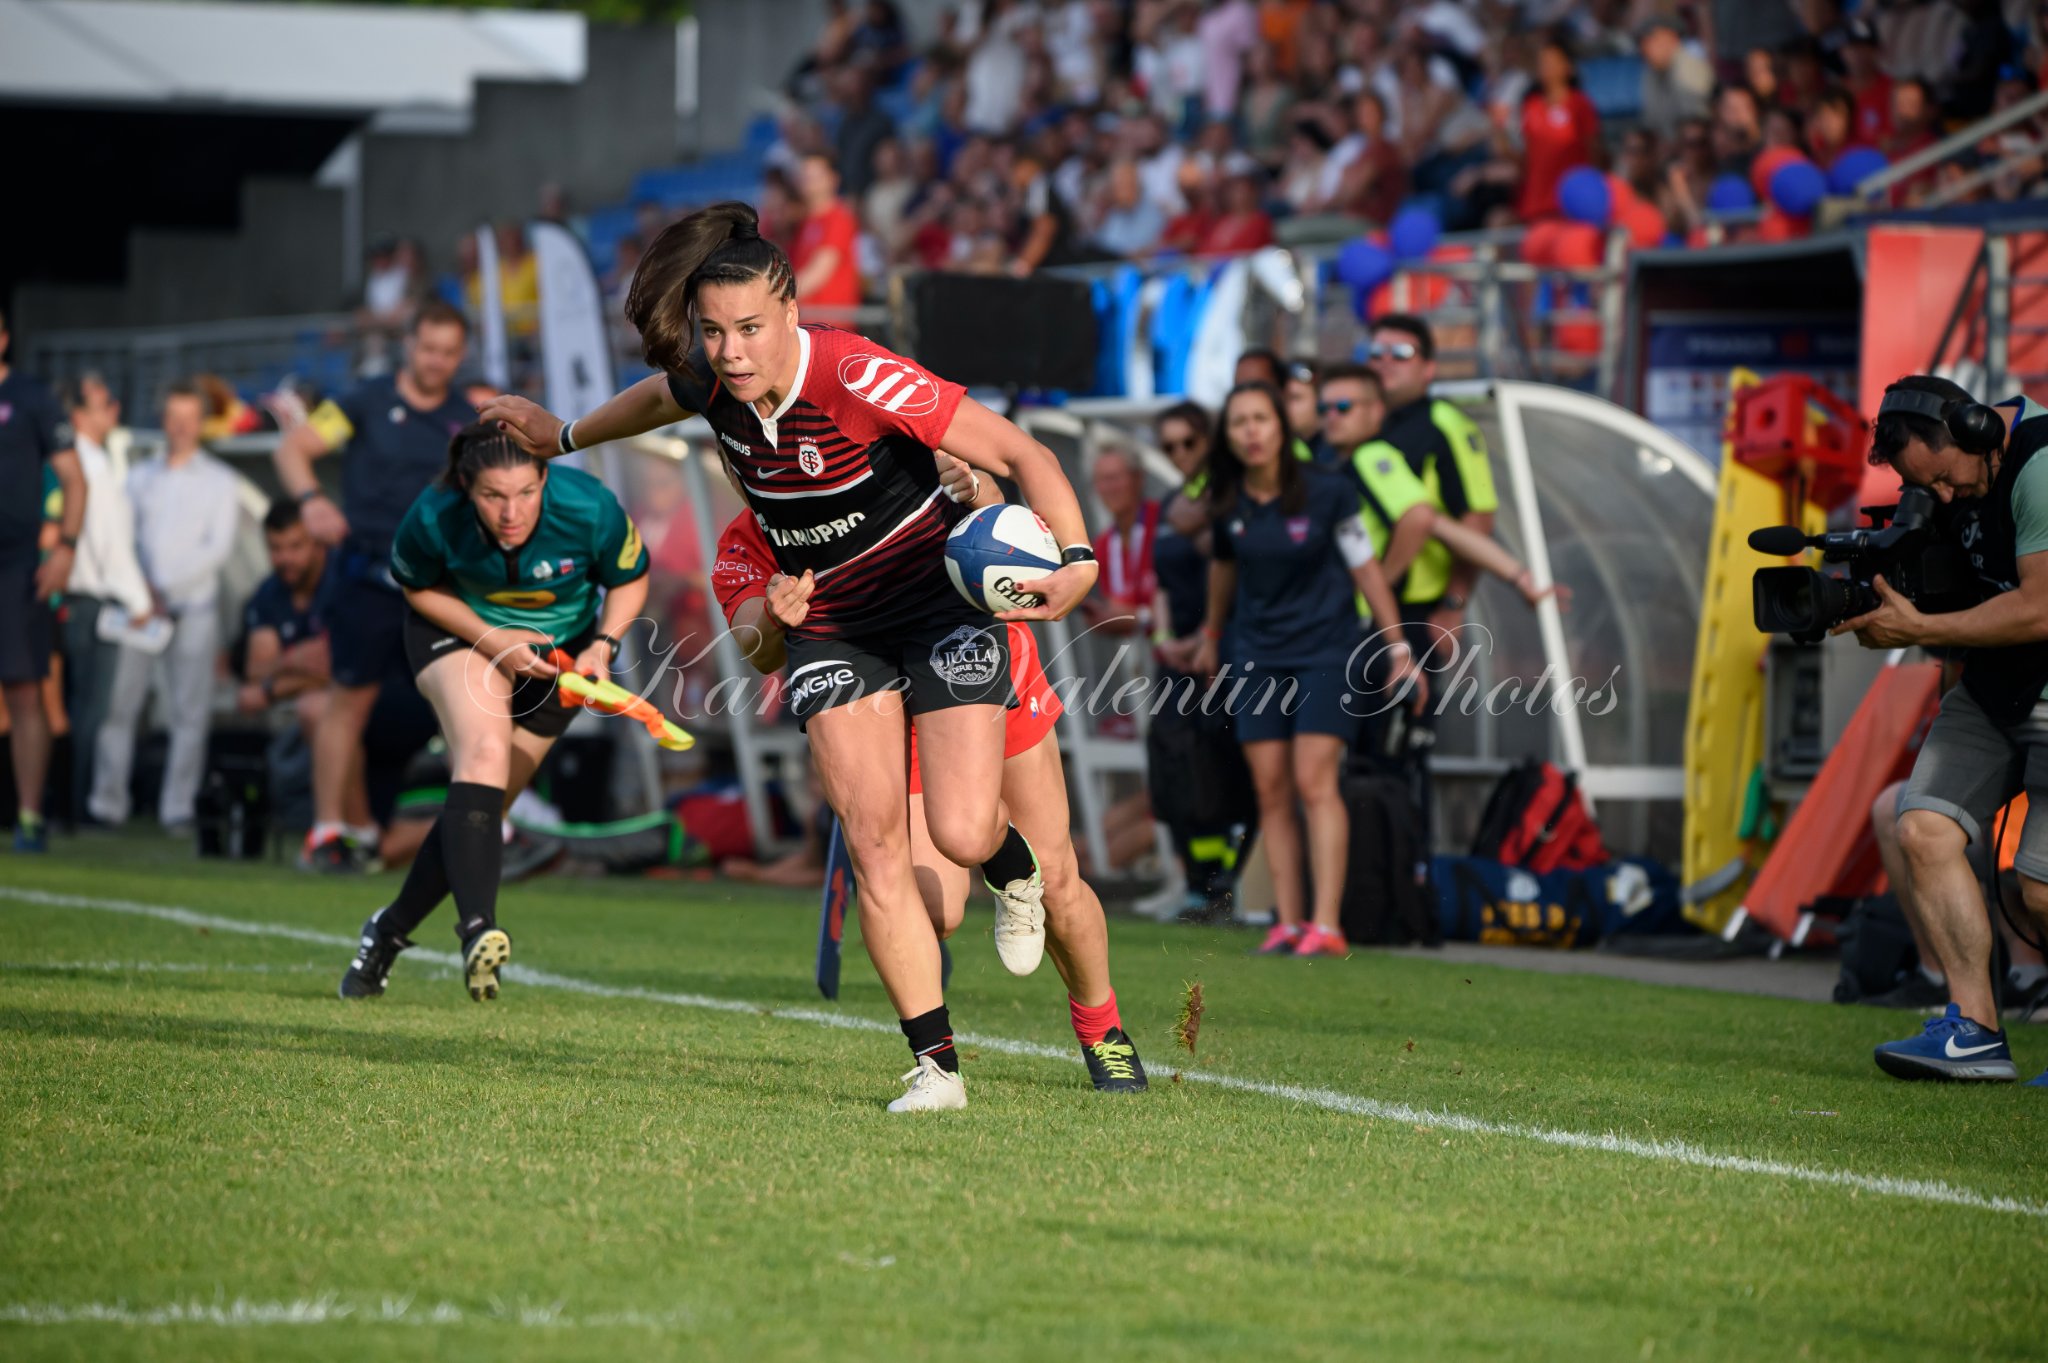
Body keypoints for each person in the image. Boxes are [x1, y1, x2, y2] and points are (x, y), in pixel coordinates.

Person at [478, 201, 1101, 1113]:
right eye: (715, 332)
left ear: (792, 313)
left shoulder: (857, 373)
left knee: (966, 835)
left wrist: (1078, 560)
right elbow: (657, 399)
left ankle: (1017, 875)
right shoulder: (714, 385)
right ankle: (936, 1068)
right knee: (875, 845)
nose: (730, 353)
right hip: (833, 627)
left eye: (750, 331)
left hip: (938, 608)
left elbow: (1017, 448)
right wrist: (565, 437)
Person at [712, 460, 1147, 1090]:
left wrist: (979, 488)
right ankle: (996, 877)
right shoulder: (745, 538)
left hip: (977, 670)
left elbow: (994, 512)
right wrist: (774, 621)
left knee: (1056, 878)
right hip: (892, 709)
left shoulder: (872, 465)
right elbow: (758, 652)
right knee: (936, 910)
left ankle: (1101, 1028)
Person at [338, 423, 650, 1003]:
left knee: (479, 806)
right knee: (482, 755)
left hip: (561, 656)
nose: (512, 513)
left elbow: (630, 579)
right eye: (492, 496)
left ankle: (387, 932)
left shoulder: (589, 508)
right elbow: (418, 589)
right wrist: (492, 639)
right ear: (465, 486)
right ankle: (479, 928)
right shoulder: (434, 515)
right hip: (458, 634)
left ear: (544, 479)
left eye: (526, 493)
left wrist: (601, 646)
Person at [1842, 375, 2048, 1086]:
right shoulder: (1951, 485)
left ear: (1972, 429)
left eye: (1945, 478)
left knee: (2041, 890)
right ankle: (1976, 1028)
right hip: (1996, 685)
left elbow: (2040, 609)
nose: (1948, 495)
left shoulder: (2040, 462)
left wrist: (1922, 628)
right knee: (1922, 827)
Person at [1177, 381, 1420, 959]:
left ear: (1283, 428)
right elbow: (1222, 570)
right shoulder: (1229, 498)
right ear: (1228, 437)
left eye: (1262, 418)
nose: (1252, 431)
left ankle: (1327, 925)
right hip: (1257, 652)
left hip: (1326, 650)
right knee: (1271, 790)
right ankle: (1287, 923)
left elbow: (1365, 570)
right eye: (1239, 422)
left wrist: (1398, 646)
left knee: (1315, 780)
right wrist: (1212, 634)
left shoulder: (1329, 491)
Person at [272, 301, 476, 871]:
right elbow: (294, 450)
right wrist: (311, 503)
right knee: (346, 704)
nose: (435, 361)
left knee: (464, 707)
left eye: (447, 352)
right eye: (427, 348)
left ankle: (487, 828)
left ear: (460, 356)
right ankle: (328, 831)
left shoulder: (466, 418)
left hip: (436, 589)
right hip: (366, 575)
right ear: (409, 344)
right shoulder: (364, 399)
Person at [91, 383, 238, 833]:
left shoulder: (220, 481)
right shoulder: (138, 477)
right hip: (139, 610)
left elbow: (217, 550)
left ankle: (177, 807)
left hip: (191, 609)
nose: (180, 426)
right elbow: (123, 539)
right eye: (173, 416)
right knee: (120, 707)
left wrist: (163, 589)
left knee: (188, 713)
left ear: (200, 423)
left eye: (188, 417)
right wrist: (143, 591)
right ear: (163, 419)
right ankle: (107, 804)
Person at [0, 307, 86, 852]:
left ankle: (30, 815)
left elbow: (75, 481)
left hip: (17, 563)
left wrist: (66, 551)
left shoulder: (31, 396)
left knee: (26, 690)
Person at [57, 376, 152, 825]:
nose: (115, 410)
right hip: (92, 600)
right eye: (105, 403)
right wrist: (138, 599)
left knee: (70, 706)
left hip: (72, 598)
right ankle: (72, 807)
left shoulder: (79, 460)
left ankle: (58, 803)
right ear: (79, 413)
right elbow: (110, 546)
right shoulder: (88, 465)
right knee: (87, 711)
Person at [790, 153, 863, 314]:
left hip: (830, 321)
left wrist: (775, 295)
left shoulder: (839, 218)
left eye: (816, 176)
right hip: (808, 318)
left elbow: (819, 271)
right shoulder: (805, 220)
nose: (810, 182)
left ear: (833, 179)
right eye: (806, 176)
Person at [1637, 17, 1712, 141]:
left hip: (1696, 144)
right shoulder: (1650, 71)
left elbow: (1696, 124)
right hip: (1670, 145)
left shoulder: (1689, 65)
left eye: (1654, 39)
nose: (1646, 47)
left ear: (1673, 39)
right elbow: (1652, 123)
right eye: (1643, 41)